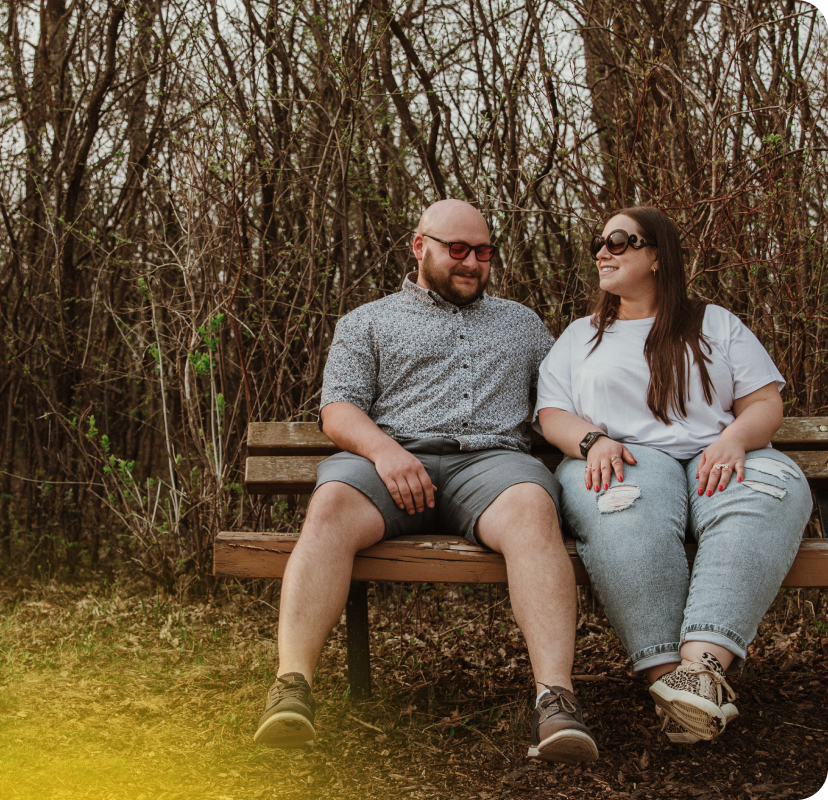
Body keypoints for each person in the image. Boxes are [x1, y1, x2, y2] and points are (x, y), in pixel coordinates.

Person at [253, 199, 599, 764]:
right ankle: (292, 688)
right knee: (331, 506)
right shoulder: (367, 321)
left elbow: (564, 401)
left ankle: (555, 700)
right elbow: (338, 411)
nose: (471, 263)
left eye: (482, 252)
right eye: (456, 249)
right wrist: (385, 452)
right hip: (389, 461)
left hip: (491, 465)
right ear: (420, 246)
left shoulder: (524, 325)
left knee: (535, 507)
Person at [536, 205, 811, 743]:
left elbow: (763, 402)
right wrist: (592, 441)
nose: (603, 251)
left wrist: (734, 439)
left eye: (620, 241)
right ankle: (670, 684)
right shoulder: (580, 335)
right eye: (599, 241)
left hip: (722, 453)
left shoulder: (715, 323)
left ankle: (702, 671)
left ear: (658, 255)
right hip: (625, 457)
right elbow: (552, 413)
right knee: (621, 508)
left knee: (769, 492)